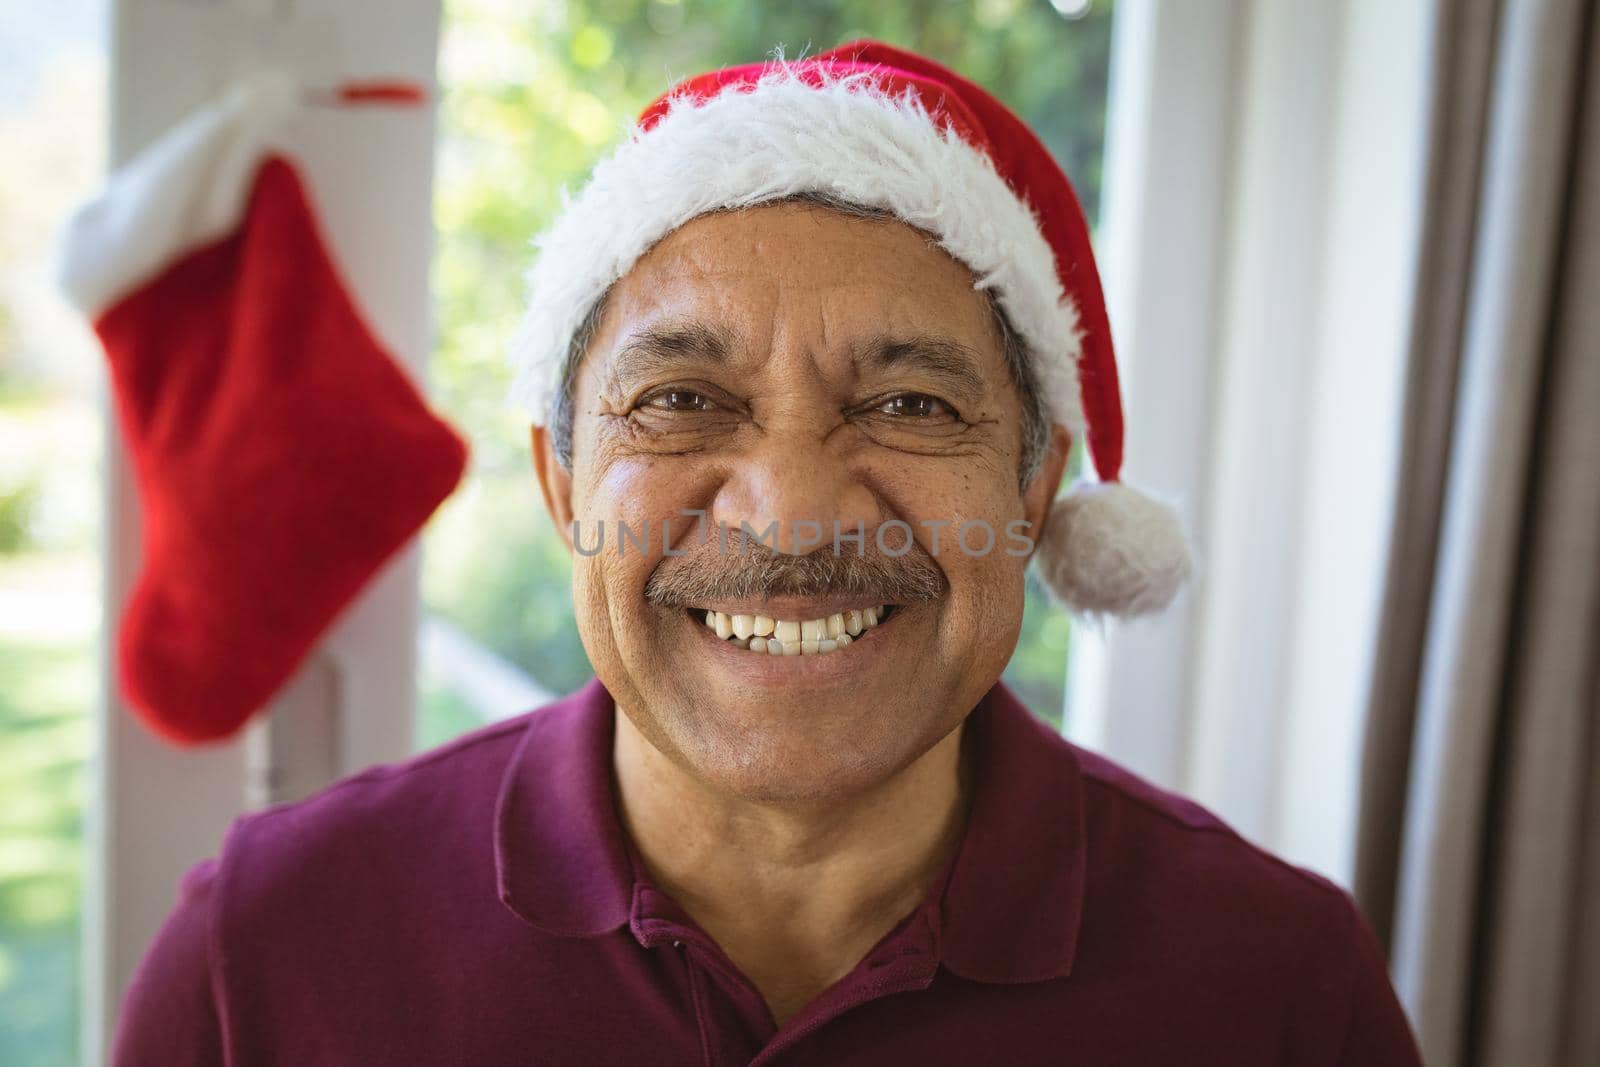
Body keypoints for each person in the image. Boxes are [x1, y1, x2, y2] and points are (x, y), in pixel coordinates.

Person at [114, 41, 1422, 1064]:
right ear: (564, 480)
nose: (791, 516)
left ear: (1035, 491)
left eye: (910, 405)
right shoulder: (261, 956)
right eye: (683, 400)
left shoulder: (1281, 989)